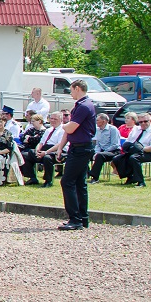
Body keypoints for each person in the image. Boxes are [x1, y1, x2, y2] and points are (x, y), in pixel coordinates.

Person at [58, 78, 96, 230]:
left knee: (67, 181)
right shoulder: (81, 106)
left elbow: (71, 128)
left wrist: (63, 125)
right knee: (80, 183)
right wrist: (61, 146)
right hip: (78, 147)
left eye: (72, 90)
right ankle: (82, 217)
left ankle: (75, 218)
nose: (71, 93)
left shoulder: (84, 106)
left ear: (78, 88)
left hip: (81, 149)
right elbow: (69, 130)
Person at [112, 112, 151, 186]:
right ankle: (130, 177)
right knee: (117, 159)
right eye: (140, 122)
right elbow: (128, 141)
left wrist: (140, 149)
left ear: (150, 121)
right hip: (133, 151)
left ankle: (141, 181)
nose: (143, 123)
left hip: (148, 153)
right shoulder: (136, 129)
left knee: (133, 158)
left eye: (145, 121)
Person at [87, 114, 121, 182]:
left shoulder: (113, 129)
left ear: (104, 121)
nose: (96, 122)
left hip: (113, 151)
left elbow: (115, 144)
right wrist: (96, 152)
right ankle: (86, 173)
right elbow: (98, 144)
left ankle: (95, 178)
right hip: (101, 150)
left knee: (100, 156)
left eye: (97, 120)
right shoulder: (97, 130)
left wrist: (101, 152)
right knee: (86, 153)